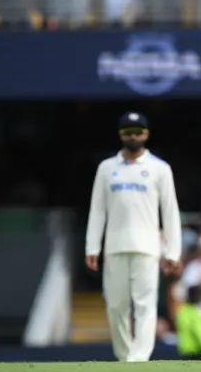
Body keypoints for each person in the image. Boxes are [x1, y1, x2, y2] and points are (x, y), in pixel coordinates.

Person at [85, 111, 182, 362]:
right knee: (116, 306)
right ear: (120, 135)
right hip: (115, 247)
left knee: (145, 306)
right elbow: (97, 211)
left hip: (148, 247)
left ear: (146, 134)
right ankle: (124, 356)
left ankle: (138, 360)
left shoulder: (160, 169)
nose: (133, 137)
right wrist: (92, 247)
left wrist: (173, 251)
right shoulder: (106, 168)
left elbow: (170, 212)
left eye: (137, 132)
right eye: (128, 132)